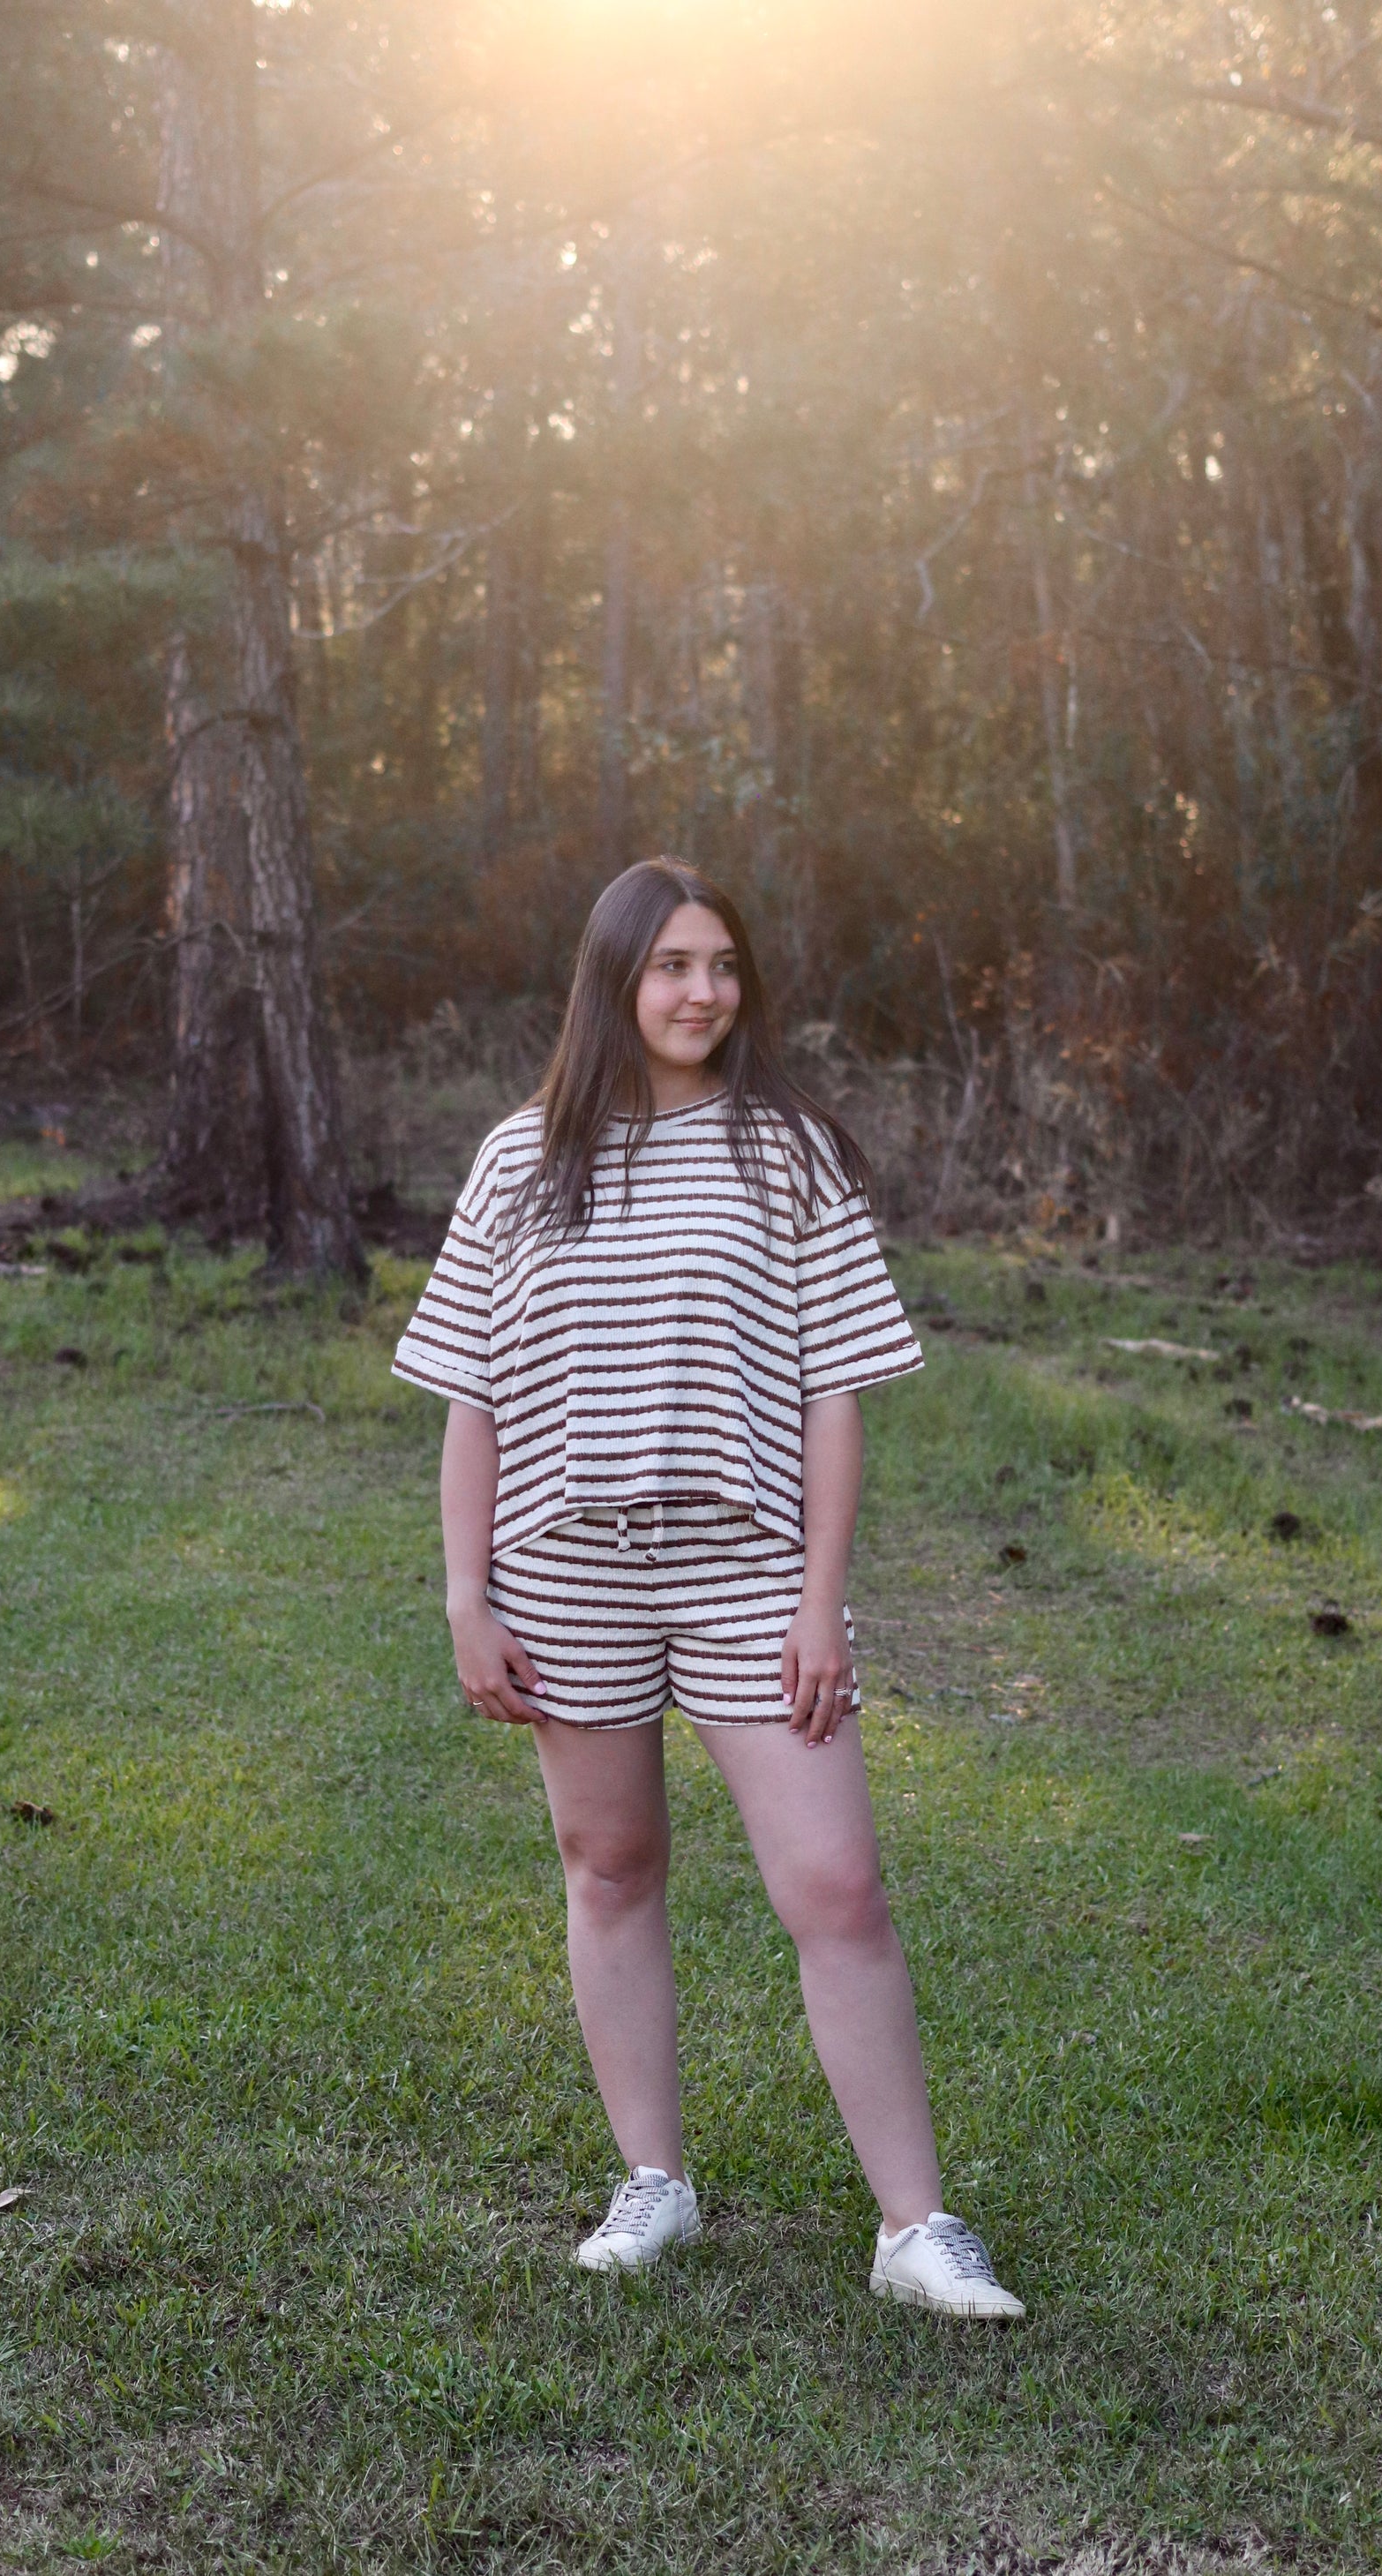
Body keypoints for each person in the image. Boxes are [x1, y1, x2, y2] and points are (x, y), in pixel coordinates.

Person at [392, 858, 1022, 2319]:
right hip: (565, 1574)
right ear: (613, 980)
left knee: (838, 1887)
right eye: (671, 965)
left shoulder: (787, 1150)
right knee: (609, 1870)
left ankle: (914, 2230)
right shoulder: (518, 1157)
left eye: (722, 965)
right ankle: (653, 2184)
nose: (701, 993)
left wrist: (818, 1598)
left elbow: (835, 1395)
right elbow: (470, 1400)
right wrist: (465, 1597)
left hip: (746, 1571)